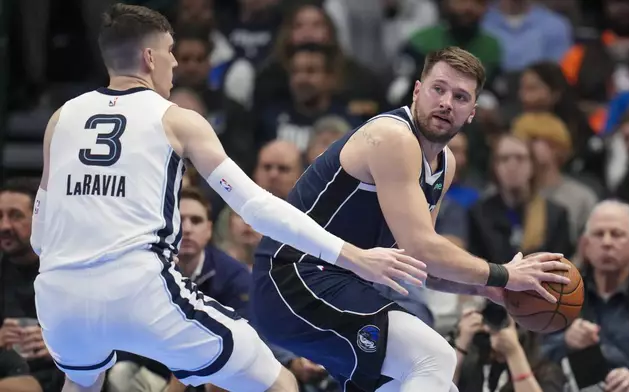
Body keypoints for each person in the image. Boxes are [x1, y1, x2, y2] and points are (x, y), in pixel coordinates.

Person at [29, 4, 429, 392]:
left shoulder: (60, 118)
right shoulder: (176, 118)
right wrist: (352, 255)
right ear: (150, 58)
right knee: (279, 382)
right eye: (171, 52)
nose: (176, 64)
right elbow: (255, 205)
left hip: (60, 298)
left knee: (81, 381)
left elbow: (39, 235)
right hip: (138, 291)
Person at [251, 46, 572, 392]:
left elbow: (418, 263)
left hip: (340, 284)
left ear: (472, 113)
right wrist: (505, 274)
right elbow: (422, 245)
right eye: (439, 89)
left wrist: (485, 287)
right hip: (291, 278)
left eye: (461, 96)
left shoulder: (444, 164)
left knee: (430, 384)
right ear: (418, 91)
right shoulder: (394, 137)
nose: (447, 102)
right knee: (434, 357)